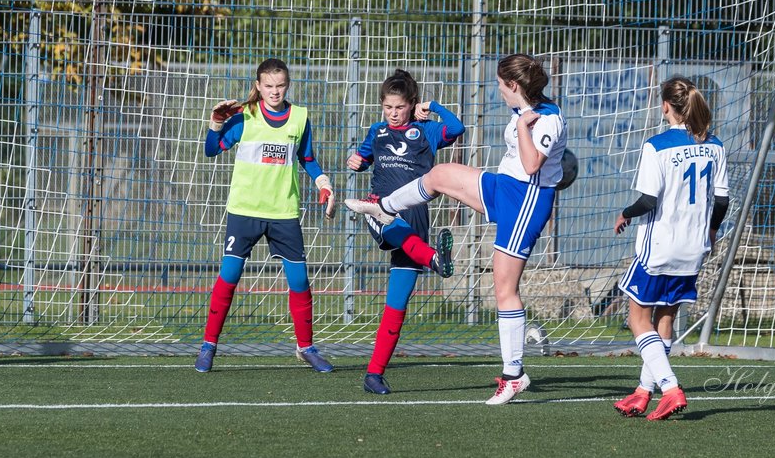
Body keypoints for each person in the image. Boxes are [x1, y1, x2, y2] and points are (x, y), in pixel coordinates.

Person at [346, 53, 566, 404]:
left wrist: (525, 124)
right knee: (439, 175)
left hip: (525, 202)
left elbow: (532, 163)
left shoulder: (546, 118)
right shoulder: (524, 111)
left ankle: (513, 374)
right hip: (504, 188)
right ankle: (384, 208)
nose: (498, 91)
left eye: (500, 85)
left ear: (513, 85)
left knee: (504, 289)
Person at [195, 57, 337, 373]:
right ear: (258, 86)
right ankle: (208, 346)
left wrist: (324, 184)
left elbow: (308, 159)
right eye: (269, 86)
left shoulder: (299, 117)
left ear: (288, 85)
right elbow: (211, 149)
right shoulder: (244, 116)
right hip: (244, 210)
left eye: (280, 85)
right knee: (229, 277)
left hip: (283, 212)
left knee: (299, 280)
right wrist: (216, 123)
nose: (275, 91)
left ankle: (306, 348)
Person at [611, 77, 729, 421]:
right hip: (695, 246)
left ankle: (670, 387)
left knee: (637, 317)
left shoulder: (657, 146)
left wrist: (625, 213)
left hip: (660, 246)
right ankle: (643, 392)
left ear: (666, 106)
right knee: (666, 317)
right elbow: (721, 199)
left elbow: (649, 199)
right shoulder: (715, 145)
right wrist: (711, 229)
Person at [347, 69, 464, 395]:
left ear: (411, 105)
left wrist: (434, 106)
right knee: (382, 217)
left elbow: (457, 128)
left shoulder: (425, 131)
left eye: (399, 107)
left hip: (415, 217)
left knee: (396, 305)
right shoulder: (377, 131)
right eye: (388, 107)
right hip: (379, 207)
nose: (393, 113)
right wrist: (357, 160)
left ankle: (374, 374)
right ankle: (435, 260)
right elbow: (364, 158)